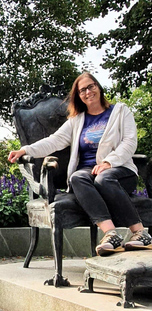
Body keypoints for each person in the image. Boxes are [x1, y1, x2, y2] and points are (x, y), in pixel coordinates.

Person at [8, 72, 152, 257]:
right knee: (76, 177)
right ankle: (111, 235)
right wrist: (26, 150)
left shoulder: (120, 112)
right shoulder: (77, 121)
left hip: (119, 170)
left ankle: (140, 233)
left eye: (91, 86)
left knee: (104, 178)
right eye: (82, 90)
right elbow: (53, 141)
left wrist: (109, 162)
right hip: (88, 173)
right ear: (78, 96)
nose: (88, 92)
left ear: (98, 87)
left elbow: (130, 142)